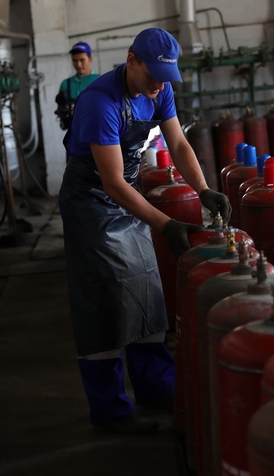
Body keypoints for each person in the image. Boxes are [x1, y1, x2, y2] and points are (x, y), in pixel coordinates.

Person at [58, 28, 231, 434]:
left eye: (165, 77)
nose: (159, 84)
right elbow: (112, 183)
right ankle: (111, 412)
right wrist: (166, 224)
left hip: (126, 196)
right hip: (90, 204)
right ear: (131, 60)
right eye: (153, 74)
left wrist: (203, 190)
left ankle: (157, 388)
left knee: (147, 291)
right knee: (104, 303)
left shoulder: (160, 89)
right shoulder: (100, 102)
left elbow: (179, 144)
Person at [55, 41, 99, 130]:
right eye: (75, 61)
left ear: (90, 59)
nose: (78, 65)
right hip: (75, 132)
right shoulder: (66, 84)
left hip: (97, 130)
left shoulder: (100, 81)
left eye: (82, 60)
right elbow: (60, 110)